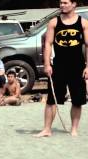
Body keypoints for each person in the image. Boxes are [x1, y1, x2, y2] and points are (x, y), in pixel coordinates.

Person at [35, 0, 88, 137]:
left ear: (74, 4)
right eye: (61, 3)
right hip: (58, 66)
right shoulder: (54, 22)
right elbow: (48, 44)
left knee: (77, 100)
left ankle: (74, 129)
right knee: (52, 99)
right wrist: (47, 64)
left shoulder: (83, 23)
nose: (62, 5)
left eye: (65, 2)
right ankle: (47, 129)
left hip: (78, 66)